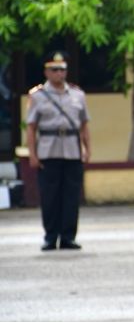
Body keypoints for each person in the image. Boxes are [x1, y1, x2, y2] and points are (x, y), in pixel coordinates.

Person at [25, 51, 91, 251]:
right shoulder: (37, 96)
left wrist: (87, 150)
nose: (59, 74)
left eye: (62, 70)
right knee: (50, 197)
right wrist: (33, 154)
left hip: (72, 151)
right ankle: (50, 236)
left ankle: (68, 236)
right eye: (54, 70)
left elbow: (84, 125)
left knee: (71, 196)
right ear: (46, 72)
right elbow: (31, 128)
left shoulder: (77, 94)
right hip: (48, 151)